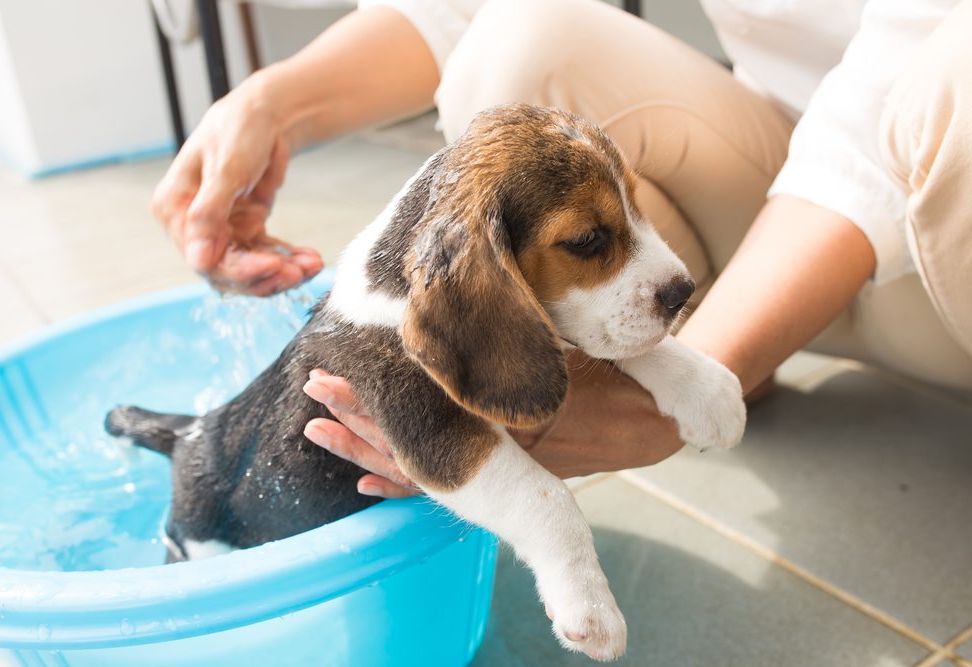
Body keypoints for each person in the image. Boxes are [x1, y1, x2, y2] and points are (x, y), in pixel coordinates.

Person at [152, 0, 972, 498]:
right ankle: (733, 354)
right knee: (523, 51)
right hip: (769, 185)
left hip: (951, 259)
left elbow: (875, 135)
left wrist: (682, 395)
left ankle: (721, 359)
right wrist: (274, 107)